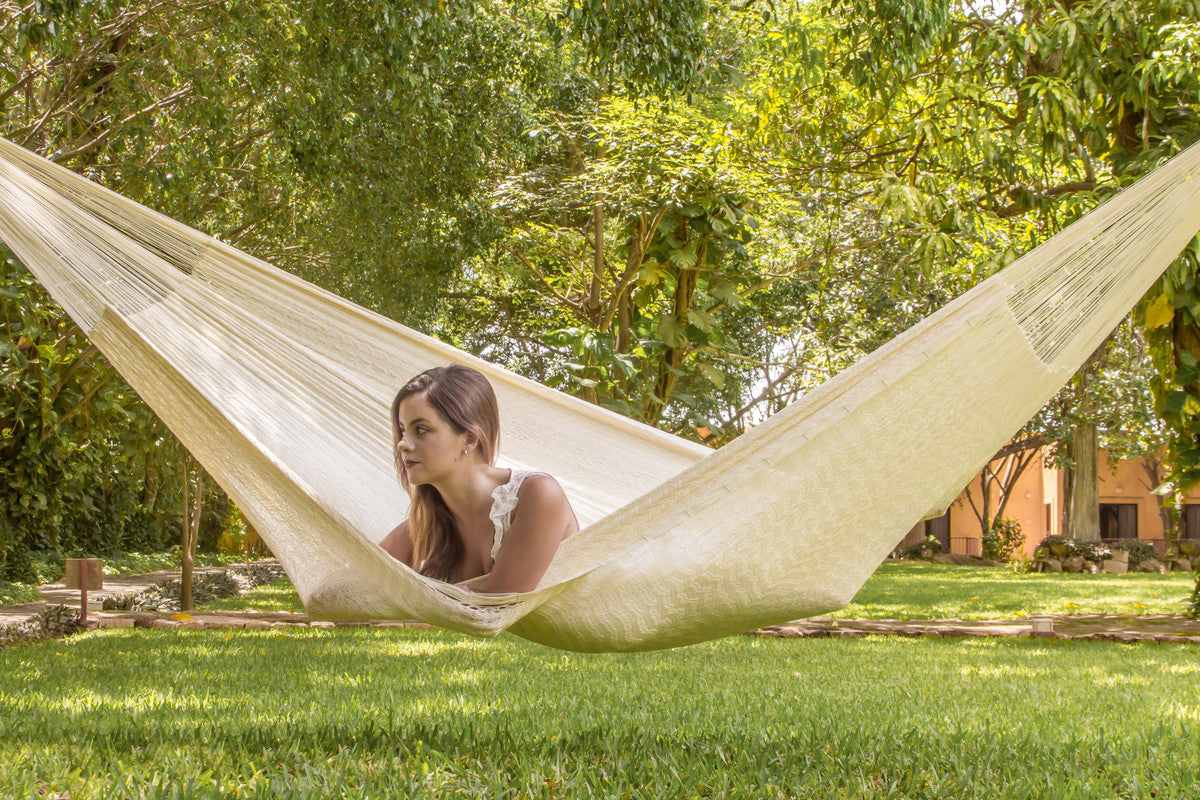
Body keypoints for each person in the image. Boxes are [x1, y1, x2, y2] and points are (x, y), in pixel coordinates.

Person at [378, 364, 579, 593]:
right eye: (402, 430)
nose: (402, 444)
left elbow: (493, 612)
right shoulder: (427, 523)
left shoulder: (538, 494)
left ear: (470, 439)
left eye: (421, 430)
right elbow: (358, 574)